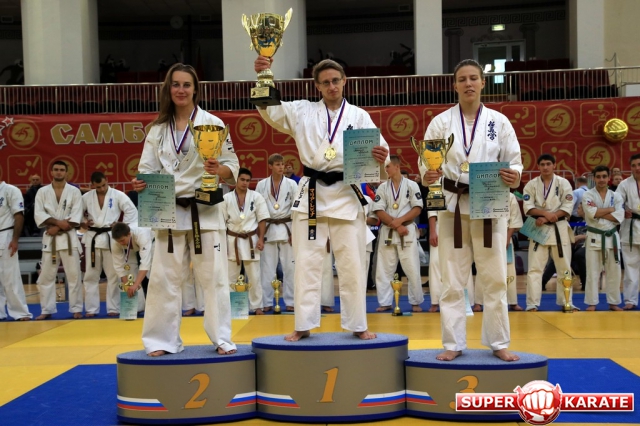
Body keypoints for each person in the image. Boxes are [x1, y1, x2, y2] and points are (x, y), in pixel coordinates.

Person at [254, 56, 390, 341]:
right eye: (326, 82)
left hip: (346, 193)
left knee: (352, 264)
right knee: (306, 262)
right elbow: (271, 111)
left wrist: (381, 157)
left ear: (344, 82)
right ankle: (303, 323)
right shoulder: (302, 111)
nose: (332, 86)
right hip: (312, 194)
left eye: (336, 81)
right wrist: (264, 77)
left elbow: (381, 153)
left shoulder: (359, 116)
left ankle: (358, 324)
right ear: (317, 86)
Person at [132, 63, 238, 356]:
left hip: (205, 209)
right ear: (169, 89)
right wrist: (141, 183)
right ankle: (161, 340)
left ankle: (221, 338)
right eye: (176, 84)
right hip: (168, 211)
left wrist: (219, 170)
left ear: (195, 89)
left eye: (186, 85)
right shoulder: (156, 130)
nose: (181, 90)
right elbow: (146, 169)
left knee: (214, 278)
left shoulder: (213, 123)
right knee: (163, 280)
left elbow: (233, 166)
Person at [420, 59, 522, 362]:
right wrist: (427, 173)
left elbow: (514, 160)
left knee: (494, 277)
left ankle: (498, 341)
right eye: (462, 79)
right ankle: (453, 343)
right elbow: (426, 161)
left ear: (482, 83)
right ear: (455, 85)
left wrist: (514, 174)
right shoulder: (440, 122)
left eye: (473, 78)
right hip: (452, 205)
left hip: (489, 204)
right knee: (452, 279)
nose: (468, 83)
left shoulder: (499, 122)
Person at [523, 154, 577, 312]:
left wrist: (548, 217)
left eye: (548, 164)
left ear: (554, 165)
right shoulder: (531, 184)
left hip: (559, 228)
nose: (545, 167)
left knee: (564, 267)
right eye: (542, 164)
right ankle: (532, 303)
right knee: (534, 268)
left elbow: (568, 206)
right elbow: (528, 207)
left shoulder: (563, 183)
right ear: (538, 167)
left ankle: (566, 301)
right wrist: (545, 214)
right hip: (538, 228)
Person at [81, 171, 138, 317]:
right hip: (92, 238)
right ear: (92, 185)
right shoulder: (86, 197)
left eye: (103, 185)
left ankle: (113, 308)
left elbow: (131, 211)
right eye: (98, 187)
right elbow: (75, 212)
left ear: (107, 180)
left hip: (110, 237)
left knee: (113, 275)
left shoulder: (118, 195)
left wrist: (121, 225)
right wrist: (83, 222)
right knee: (90, 275)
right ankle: (91, 309)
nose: (101, 189)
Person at [374, 155, 424, 312]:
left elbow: (417, 208)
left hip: (406, 231)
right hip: (388, 232)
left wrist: (400, 222)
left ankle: (415, 301)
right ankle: (385, 302)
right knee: (384, 269)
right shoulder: (382, 187)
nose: (386, 169)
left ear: (397, 166)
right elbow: (378, 210)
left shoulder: (412, 185)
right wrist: (396, 225)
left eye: (388, 166)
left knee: (412, 268)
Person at [34, 161, 84, 320]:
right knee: (46, 277)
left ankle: (76, 308)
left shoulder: (74, 191)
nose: (59, 172)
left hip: (69, 239)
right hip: (50, 240)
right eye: (56, 169)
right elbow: (38, 214)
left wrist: (57, 228)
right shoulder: (42, 192)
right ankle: (46, 309)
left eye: (62, 170)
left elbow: (77, 216)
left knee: (74, 276)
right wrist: (58, 223)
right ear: (51, 172)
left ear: (66, 173)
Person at [223, 167, 269, 314]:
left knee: (254, 276)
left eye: (248, 180)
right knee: (231, 277)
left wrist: (261, 239)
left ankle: (257, 306)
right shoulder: (226, 198)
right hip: (232, 239)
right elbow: (222, 222)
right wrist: (223, 243)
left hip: (251, 240)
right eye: (242, 179)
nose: (245, 183)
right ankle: (233, 307)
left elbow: (262, 219)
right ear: (236, 180)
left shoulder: (256, 197)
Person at [255, 154, 298, 312]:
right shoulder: (261, 185)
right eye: (278, 164)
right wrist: (260, 235)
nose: (281, 167)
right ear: (270, 166)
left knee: (290, 268)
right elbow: (258, 210)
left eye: (282, 164)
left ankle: (291, 301)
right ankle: (266, 301)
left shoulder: (292, 184)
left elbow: (296, 209)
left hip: (287, 228)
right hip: (269, 228)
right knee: (267, 269)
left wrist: (295, 232)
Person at [582, 166, 624, 311]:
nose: (601, 179)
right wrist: (611, 210)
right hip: (594, 236)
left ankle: (613, 302)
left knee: (614, 272)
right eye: (598, 176)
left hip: (612, 237)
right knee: (592, 272)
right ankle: (592, 302)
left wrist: (599, 212)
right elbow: (590, 213)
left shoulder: (616, 196)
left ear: (608, 178)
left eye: (604, 176)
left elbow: (619, 217)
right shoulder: (588, 195)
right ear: (594, 178)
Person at [0, 180, 32, 320]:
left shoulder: (11, 190)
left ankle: (20, 312)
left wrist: (15, 239)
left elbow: (19, 215)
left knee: (10, 276)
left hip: (5, 234)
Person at [616, 153, 640, 310]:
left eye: (639, 165)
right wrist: (622, 210)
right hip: (630, 229)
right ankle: (630, 300)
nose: (637, 168)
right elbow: (616, 203)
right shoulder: (624, 184)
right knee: (630, 268)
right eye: (634, 165)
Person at [111, 222, 153, 311]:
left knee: (153, 274)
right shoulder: (116, 242)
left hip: (153, 242)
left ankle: (155, 306)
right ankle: (136, 308)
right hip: (132, 247)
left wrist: (136, 284)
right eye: (118, 241)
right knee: (130, 274)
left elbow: (145, 263)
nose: (120, 243)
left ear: (129, 234)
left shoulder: (142, 234)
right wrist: (126, 285)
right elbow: (118, 264)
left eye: (122, 240)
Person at [506, 192, 524, 311]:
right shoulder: (481, 193)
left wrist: (507, 237)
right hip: (485, 235)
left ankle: (512, 301)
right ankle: (479, 301)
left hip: (505, 234)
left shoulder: (510, 196)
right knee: (484, 268)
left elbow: (514, 219)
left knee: (509, 269)